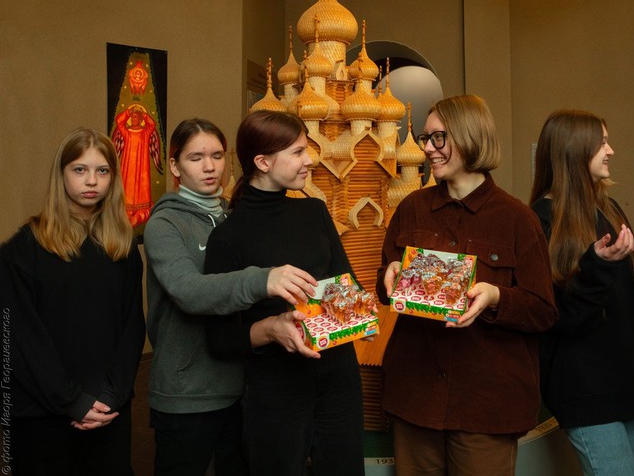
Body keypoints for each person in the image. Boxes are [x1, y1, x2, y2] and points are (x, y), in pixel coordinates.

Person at [378, 94, 557, 476]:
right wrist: (389, 273)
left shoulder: (517, 219)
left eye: (438, 138)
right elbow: (386, 283)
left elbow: (543, 310)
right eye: (425, 138)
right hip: (415, 399)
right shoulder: (411, 209)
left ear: (470, 136)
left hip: (485, 406)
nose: (428, 148)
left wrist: (495, 297)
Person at [143, 118, 319, 475]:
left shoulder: (233, 215)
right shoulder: (164, 225)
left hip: (241, 388)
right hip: (186, 393)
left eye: (217, 155)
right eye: (196, 158)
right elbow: (189, 291)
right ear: (175, 166)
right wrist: (262, 279)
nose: (210, 167)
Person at [204, 110, 366, 476]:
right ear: (262, 162)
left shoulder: (314, 212)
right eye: (297, 152)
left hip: (338, 377)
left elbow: (347, 290)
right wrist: (272, 329)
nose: (310, 160)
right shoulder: (228, 238)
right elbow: (219, 340)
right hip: (275, 389)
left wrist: (360, 315)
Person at [529, 110, 634, 476]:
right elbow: (557, 317)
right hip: (587, 394)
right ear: (574, 150)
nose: (611, 150)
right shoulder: (540, 221)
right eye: (601, 142)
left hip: (633, 386)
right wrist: (596, 268)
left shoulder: (609, 208)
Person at [0, 128, 145, 475]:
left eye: (102, 171)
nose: (91, 180)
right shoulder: (25, 248)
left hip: (108, 409)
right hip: (42, 415)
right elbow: (21, 337)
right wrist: (71, 400)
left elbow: (132, 326)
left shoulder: (122, 246)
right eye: (80, 169)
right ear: (61, 174)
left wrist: (113, 395)